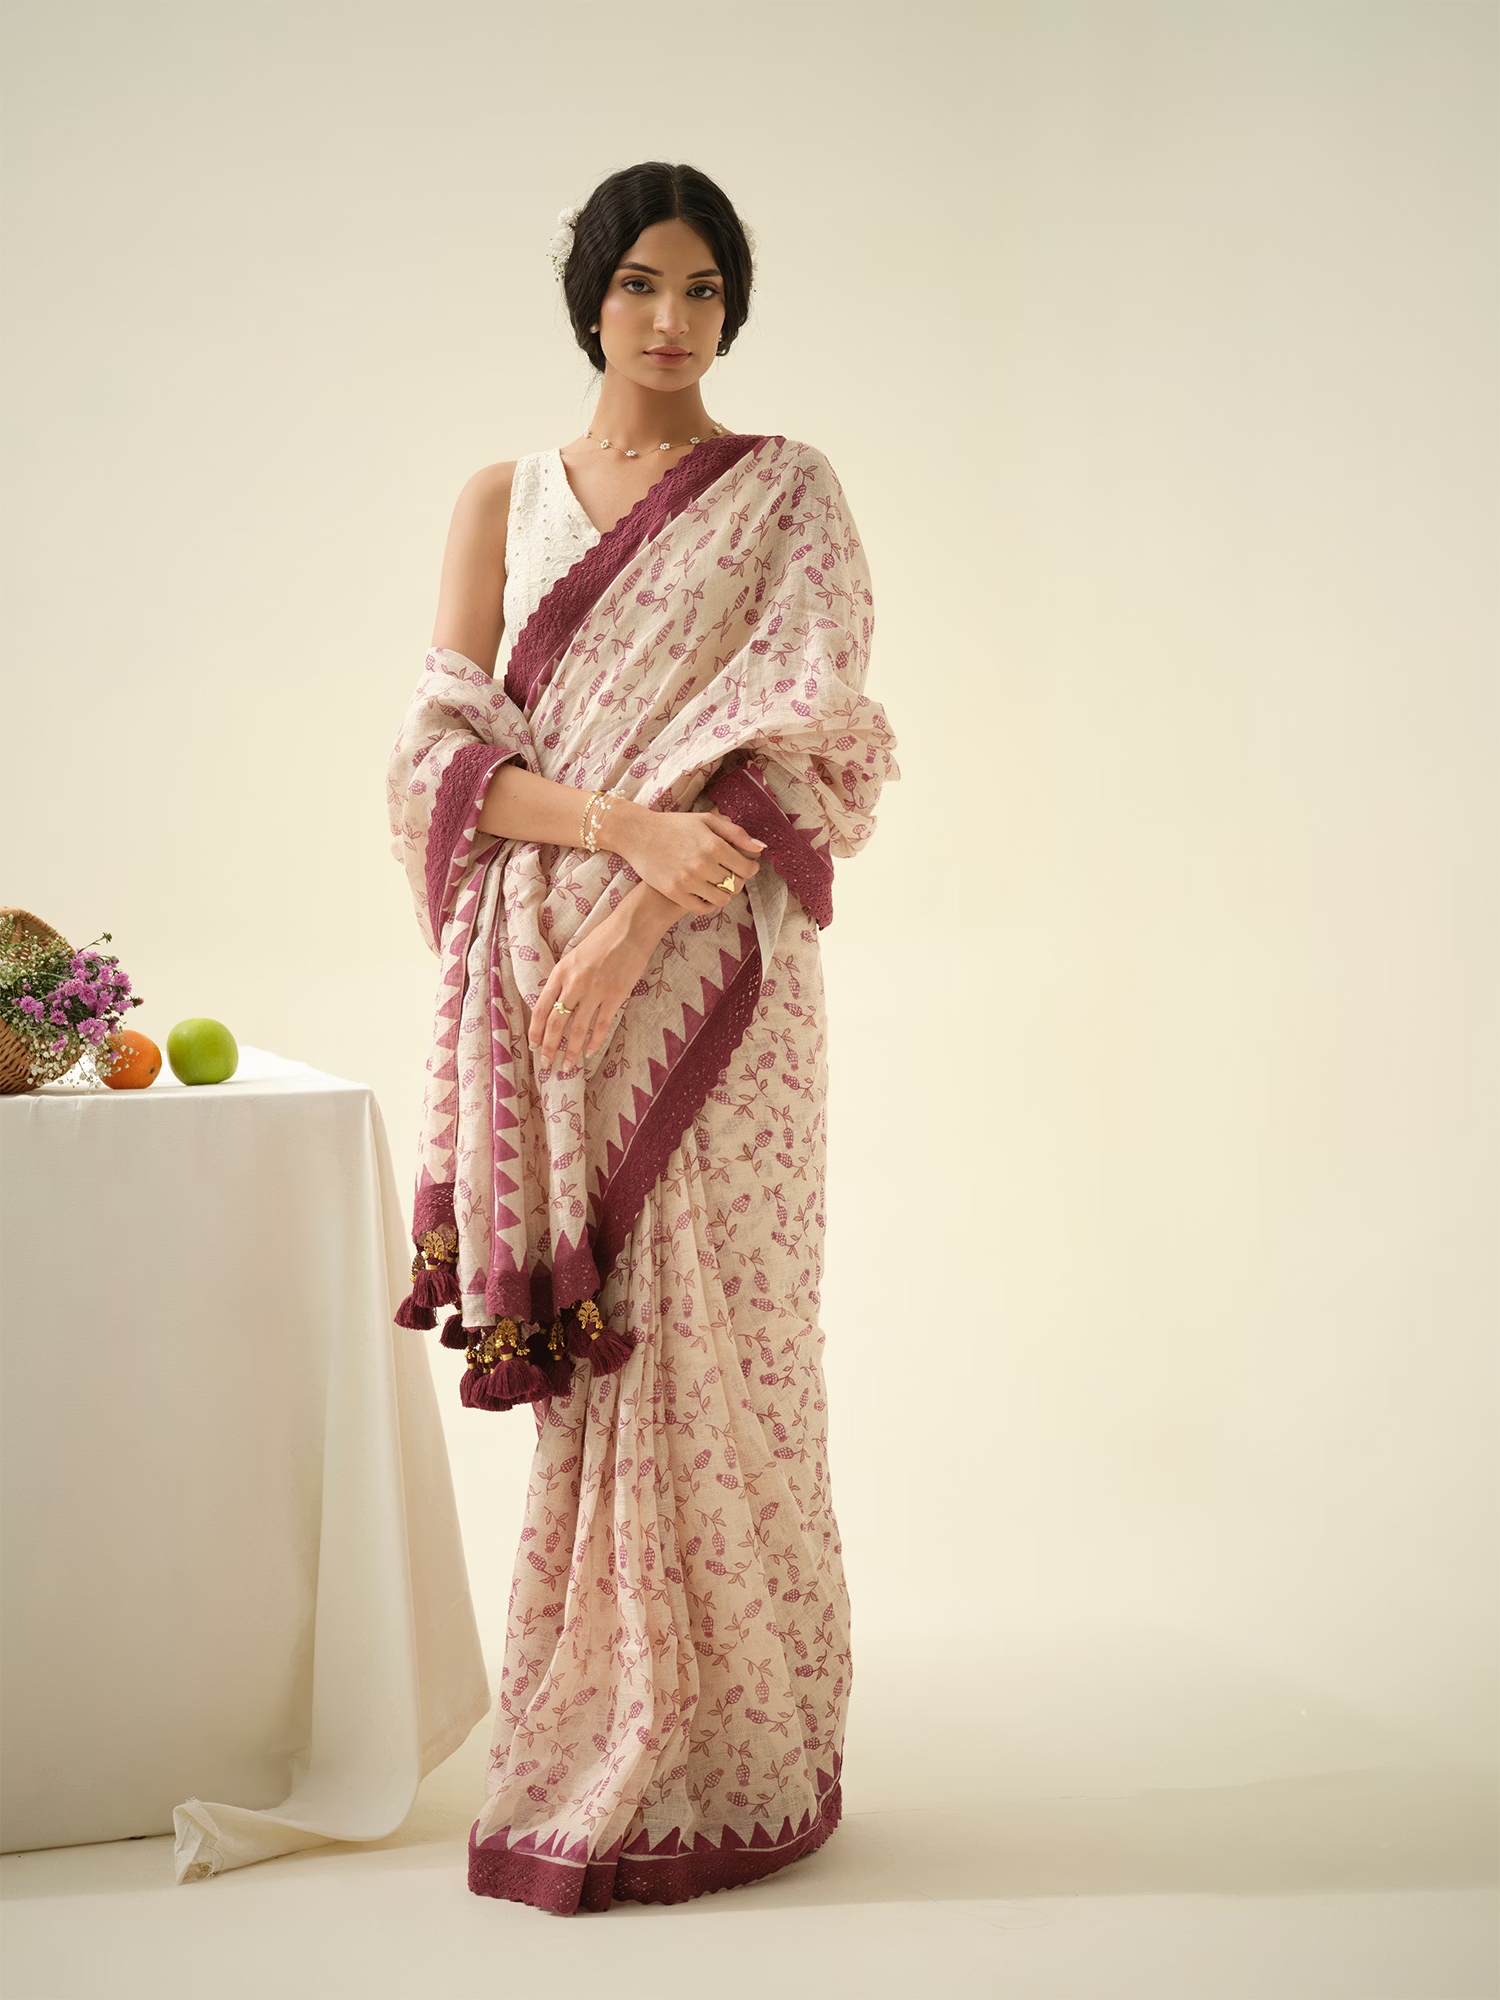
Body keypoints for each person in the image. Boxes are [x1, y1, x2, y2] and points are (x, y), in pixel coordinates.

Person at [386, 160, 898, 1912]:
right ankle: (602, 1734)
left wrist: (644, 910)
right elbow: (440, 768)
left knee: (725, 1344)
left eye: (702, 292)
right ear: (588, 299)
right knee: (605, 1369)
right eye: (640, 289)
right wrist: (613, 841)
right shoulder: (503, 500)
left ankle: (744, 1751)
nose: (671, 323)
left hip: (715, 983)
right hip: (547, 998)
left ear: (730, 311)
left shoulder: (785, 498)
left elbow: (806, 744)